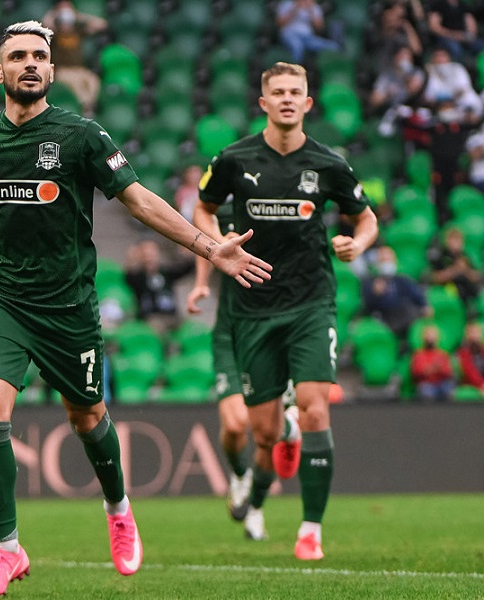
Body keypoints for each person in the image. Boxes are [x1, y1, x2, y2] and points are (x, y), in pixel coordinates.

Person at [0, 21, 272, 599]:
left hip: (68, 305)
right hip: (2, 298)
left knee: (87, 418)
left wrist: (208, 247)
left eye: (39, 56)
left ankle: (118, 509)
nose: (30, 63)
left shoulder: (81, 135)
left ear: (52, 70)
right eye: (17, 56)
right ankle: (7, 549)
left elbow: (140, 201)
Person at [194, 62, 379, 560]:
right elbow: (203, 208)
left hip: (310, 303)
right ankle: (280, 444)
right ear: (263, 102)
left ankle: (310, 529)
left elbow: (366, 218)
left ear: (308, 102)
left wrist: (358, 244)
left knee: (316, 407)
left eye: (296, 92)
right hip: (252, 308)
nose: (287, 99)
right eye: (278, 92)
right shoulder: (233, 159)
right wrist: (216, 245)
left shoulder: (328, 163)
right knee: (265, 433)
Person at [186, 201, 254, 522]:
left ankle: (258, 510)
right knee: (236, 424)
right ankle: (240, 473)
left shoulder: (285, 205)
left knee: (270, 431)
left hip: (276, 329)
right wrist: (201, 283)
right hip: (231, 332)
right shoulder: (224, 207)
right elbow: (208, 242)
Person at [42, 0, 107, 116]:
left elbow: (102, 25)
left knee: (93, 80)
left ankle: (89, 105)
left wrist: (79, 16)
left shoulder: (77, 31)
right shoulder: (54, 32)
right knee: (77, 84)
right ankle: (86, 108)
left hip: (79, 69)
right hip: (62, 70)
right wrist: (54, 14)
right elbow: (45, 24)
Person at [124, 238, 193, 335]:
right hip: (151, 317)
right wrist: (131, 257)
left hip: (171, 315)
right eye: (146, 254)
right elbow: (128, 276)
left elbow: (186, 269)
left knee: (189, 329)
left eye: (152, 253)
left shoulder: (165, 272)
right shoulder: (138, 276)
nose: (150, 257)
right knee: (157, 327)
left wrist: (187, 254)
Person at [361, 245, 431, 340]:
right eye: (383, 260)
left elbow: (417, 295)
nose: (386, 263)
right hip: (385, 320)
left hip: (405, 319)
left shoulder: (401, 280)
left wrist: (424, 305)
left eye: (388, 260)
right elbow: (367, 306)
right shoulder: (371, 282)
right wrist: (375, 294)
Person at [428, 226, 480, 313]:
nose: (456, 243)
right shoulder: (441, 256)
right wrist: (455, 269)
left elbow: (476, 277)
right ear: (447, 241)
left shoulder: (465, 256)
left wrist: (465, 270)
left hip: (465, 290)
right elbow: (435, 278)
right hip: (445, 290)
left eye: (458, 240)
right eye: (453, 240)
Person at [275, 0, 341, 64]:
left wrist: (310, 10)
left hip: (308, 37)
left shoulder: (314, 7)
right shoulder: (287, 4)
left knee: (333, 47)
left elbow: (319, 28)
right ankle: (295, 69)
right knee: (297, 46)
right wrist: (295, 8)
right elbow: (280, 24)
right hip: (290, 34)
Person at [369, 45, 425, 117]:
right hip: (390, 110)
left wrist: (405, 75)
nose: (403, 58)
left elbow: (413, 89)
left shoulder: (416, 72)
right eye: (401, 55)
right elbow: (374, 100)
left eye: (406, 56)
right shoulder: (386, 75)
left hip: (411, 110)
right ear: (395, 57)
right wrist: (387, 94)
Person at [409, 324, 456, 402]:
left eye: (432, 336)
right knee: (425, 391)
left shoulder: (442, 355)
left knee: (449, 388)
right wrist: (434, 368)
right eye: (428, 335)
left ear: (437, 338)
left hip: (441, 384)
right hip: (426, 384)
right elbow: (416, 373)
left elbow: (448, 372)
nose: (430, 338)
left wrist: (431, 369)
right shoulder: (418, 355)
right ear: (423, 338)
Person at [456, 321, 484, 392]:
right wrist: (481, 384)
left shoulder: (482, 348)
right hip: (471, 384)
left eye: (477, 332)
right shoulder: (463, 351)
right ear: (467, 335)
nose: (475, 336)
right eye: (472, 333)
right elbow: (469, 371)